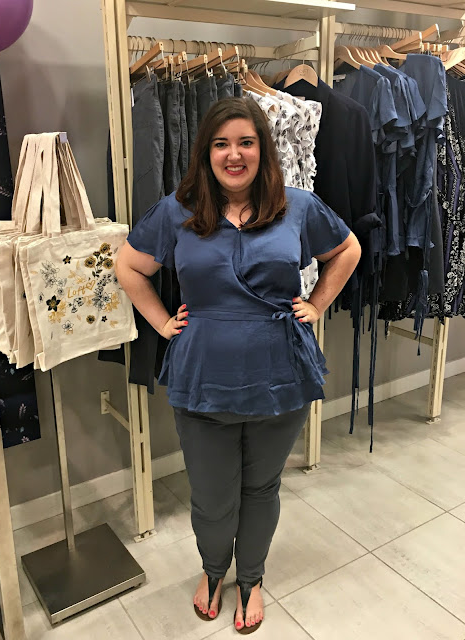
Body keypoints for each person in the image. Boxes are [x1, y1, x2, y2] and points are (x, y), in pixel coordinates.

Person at [116, 97, 361, 634]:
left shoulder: (298, 206)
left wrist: (316, 304)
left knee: (261, 488)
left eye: (246, 142)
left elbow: (348, 251)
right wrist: (161, 323)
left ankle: (251, 578)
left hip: (281, 373)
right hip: (201, 376)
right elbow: (129, 265)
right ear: (206, 153)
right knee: (211, 495)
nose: (234, 155)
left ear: (262, 149)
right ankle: (213, 570)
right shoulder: (178, 210)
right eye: (221, 144)